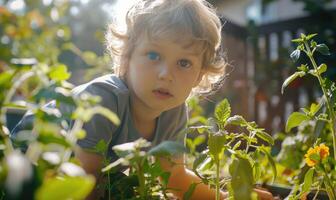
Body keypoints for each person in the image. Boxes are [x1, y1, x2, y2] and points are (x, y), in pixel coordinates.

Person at [12, 0, 273, 199]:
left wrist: (228, 197)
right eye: (153, 55)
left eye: (183, 63)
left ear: (199, 76)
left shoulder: (172, 110)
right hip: (22, 163)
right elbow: (85, 181)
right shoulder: (105, 98)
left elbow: (174, 176)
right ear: (126, 58)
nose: (166, 74)